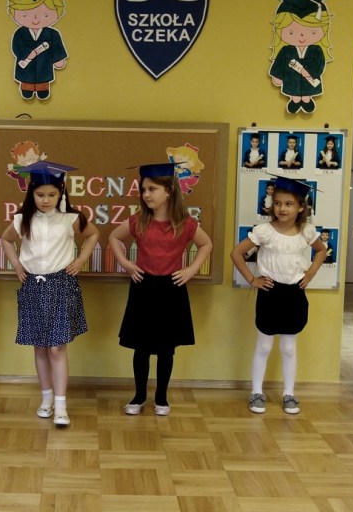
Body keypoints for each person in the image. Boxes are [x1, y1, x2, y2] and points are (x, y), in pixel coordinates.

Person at [0, 161, 99, 427]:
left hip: (61, 285)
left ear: (61, 192)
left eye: (51, 194)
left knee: (57, 347)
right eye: (40, 194)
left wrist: (81, 260)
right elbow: (6, 239)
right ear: (31, 192)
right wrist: (16, 265)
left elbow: (93, 235)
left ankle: (61, 405)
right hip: (33, 286)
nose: (45, 200)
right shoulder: (22, 219)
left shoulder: (70, 218)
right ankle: (46, 399)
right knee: (40, 346)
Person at [109, 161, 212, 416]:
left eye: (152, 189)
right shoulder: (138, 220)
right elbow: (114, 237)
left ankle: (162, 398)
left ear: (169, 191)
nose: (146, 194)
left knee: (167, 348)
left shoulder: (185, 223)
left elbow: (206, 244)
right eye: (143, 190)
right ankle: (139, 396)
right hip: (143, 287)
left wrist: (190, 270)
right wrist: (126, 264)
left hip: (171, 289)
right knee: (141, 347)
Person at [230, 175, 327, 415]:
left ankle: (289, 394)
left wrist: (310, 274)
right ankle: (256, 392)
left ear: (301, 207)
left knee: (289, 348)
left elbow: (321, 251)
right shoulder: (264, 231)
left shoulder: (306, 231)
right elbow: (236, 253)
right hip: (270, 293)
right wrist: (252, 279)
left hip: (294, 294)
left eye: (289, 204)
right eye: (278, 203)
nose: (282, 208)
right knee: (264, 345)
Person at [269, 0, 333, 114]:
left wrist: (307, 71)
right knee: (295, 94)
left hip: (309, 80)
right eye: (291, 32)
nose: (302, 36)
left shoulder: (316, 50)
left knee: (306, 94)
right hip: (291, 80)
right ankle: (295, 99)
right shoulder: (286, 51)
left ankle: (306, 99)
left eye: (312, 32)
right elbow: (279, 63)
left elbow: (320, 64)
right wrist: (277, 76)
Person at [8, 0, 69, 100]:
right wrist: (29, 54)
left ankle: (42, 88)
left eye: (46, 14)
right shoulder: (20, 33)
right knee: (27, 84)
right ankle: (27, 87)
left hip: (44, 66)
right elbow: (16, 48)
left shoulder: (52, 34)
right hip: (26, 66)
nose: (35, 19)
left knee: (43, 84)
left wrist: (58, 59)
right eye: (25, 14)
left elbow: (57, 47)